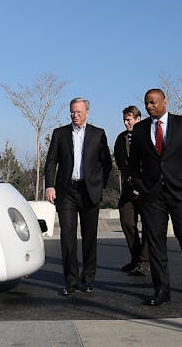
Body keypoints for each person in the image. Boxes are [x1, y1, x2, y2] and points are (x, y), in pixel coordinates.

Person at [129, 89, 182, 306]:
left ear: (164, 102)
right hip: (152, 196)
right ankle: (161, 290)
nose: (149, 106)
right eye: (146, 103)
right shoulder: (141, 129)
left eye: (153, 102)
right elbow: (134, 164)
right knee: (155, 243)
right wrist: (140, 184)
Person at [45, 97, 112, 296]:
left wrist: (100, 185)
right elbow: (51, 162)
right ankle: (71, 282)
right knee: (67, 237)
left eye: (79, 112)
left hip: (89, 191)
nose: (75, 115)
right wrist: (50, 185)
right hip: (67, 192)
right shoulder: (60, 134)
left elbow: (106, 163)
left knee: (90, 238)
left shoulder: (98, 134)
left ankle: (88, 279)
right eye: (72, 112)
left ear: (87, 112)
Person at [113, 105, 150, 277]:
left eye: (129, 119)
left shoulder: (148, 135)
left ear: (138, 119)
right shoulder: (121, 138)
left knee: (149, 226)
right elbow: (119, 160)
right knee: (127, 223)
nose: (126, 122)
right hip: (128, 189)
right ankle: (136, 260)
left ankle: (144, 262)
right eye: (124, 120)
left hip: (147, 189)